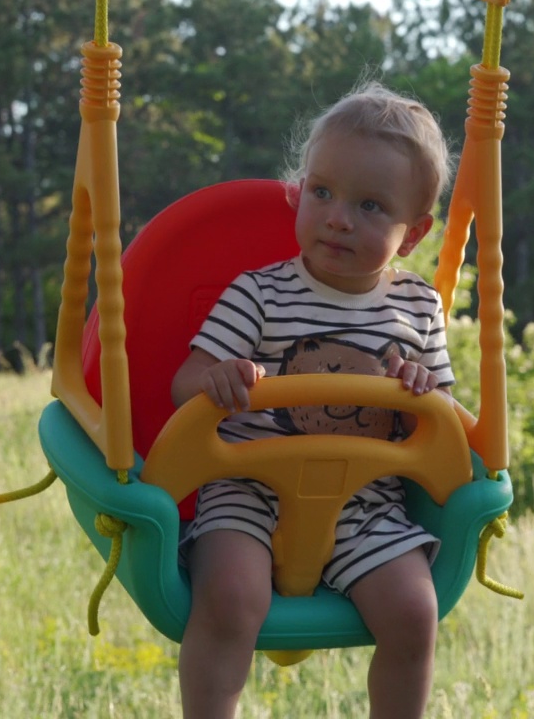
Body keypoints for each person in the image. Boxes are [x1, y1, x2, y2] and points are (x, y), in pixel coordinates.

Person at [170, 81, 456, 719]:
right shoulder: (259, 293)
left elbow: (447, 427)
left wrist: (421, 392)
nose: (337, 217)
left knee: (414, 613)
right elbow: (184, 383)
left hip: (366, 500)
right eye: (322, 192)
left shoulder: (418, 309)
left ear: (412, 235)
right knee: (230, 598)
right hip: (248, 485)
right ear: (299, 194)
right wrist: (219, 380)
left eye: (371, 205)